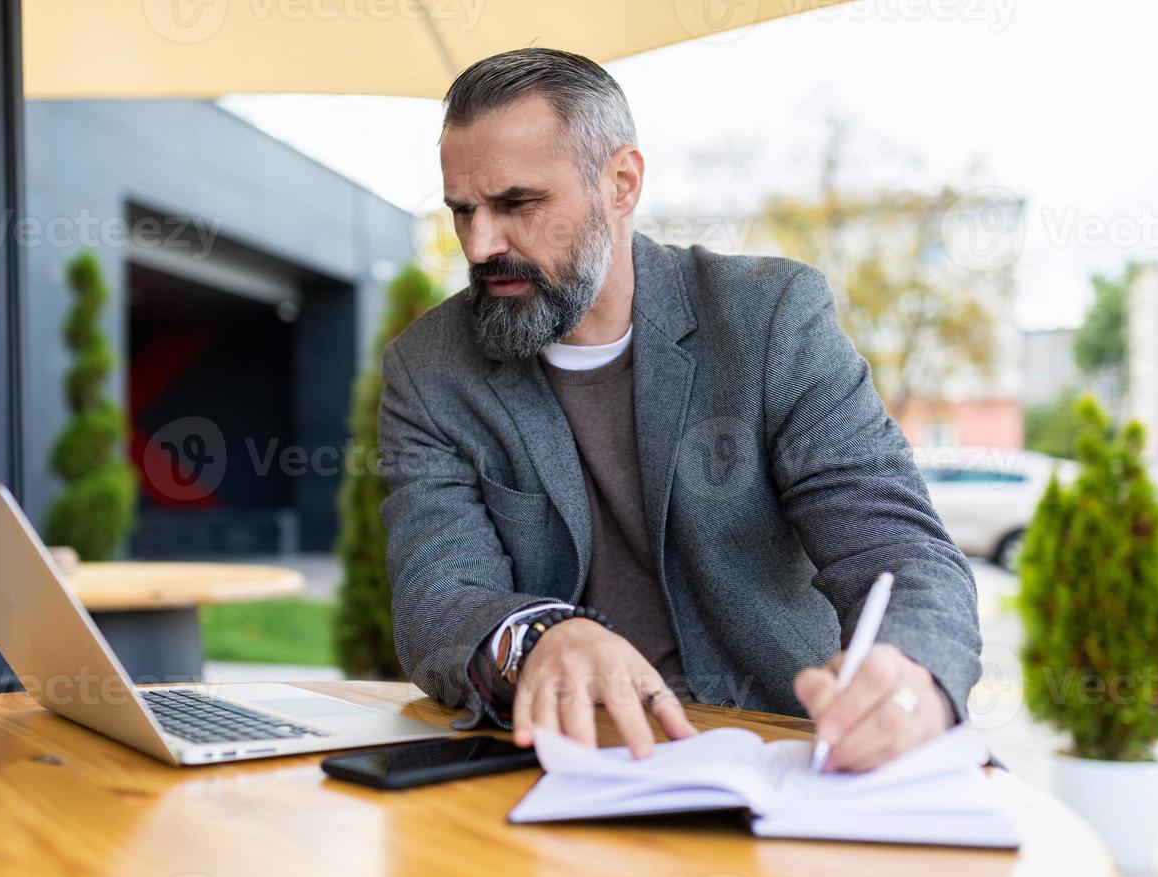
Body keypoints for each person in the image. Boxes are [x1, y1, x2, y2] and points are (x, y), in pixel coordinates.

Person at [378, 48, 982, 771]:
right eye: (463, 212)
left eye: (519, 204)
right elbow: (437, 595)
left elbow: (896, 551)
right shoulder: (429, 367)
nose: (480, 245)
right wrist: (541, 636)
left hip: (781, 755)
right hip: (559, 766)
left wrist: (911, 677)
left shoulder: (769, 320)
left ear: (622, 183)